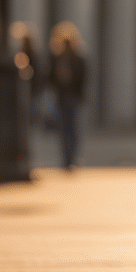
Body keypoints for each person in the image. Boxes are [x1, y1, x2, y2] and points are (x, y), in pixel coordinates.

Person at [47, 22, 87, 170]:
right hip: (63, 97)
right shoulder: (57, 58)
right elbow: (50, 77)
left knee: (72, 129)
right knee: (65, 129)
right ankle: (67, 158)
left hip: (73, 97)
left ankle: (71, 157)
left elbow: (83, 78)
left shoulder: (78, 58)